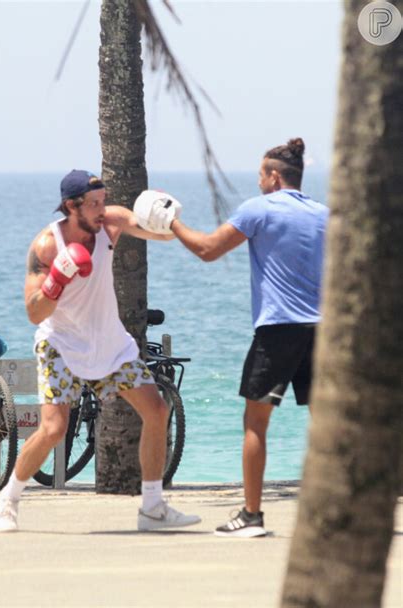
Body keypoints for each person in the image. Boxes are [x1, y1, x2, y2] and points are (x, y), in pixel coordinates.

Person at [136, 138, 328, 538]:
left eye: (261, 175)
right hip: (324, 331)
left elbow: (207, 250)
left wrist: (170, 222)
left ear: (274, 177)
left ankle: (252, 516)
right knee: (330, 425)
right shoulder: (323, 214)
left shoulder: (259, 209)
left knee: (255, 424)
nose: (258, 182)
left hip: (278, 330)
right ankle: (347, 515)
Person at [0, 169, 200, 533]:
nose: (102, 209)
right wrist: (58, 278)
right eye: (93, 204)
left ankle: (152, 507)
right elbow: (33, 312)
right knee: (54, 429)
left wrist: (164, 214)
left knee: (157, 410)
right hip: (61, 343)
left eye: (104, 200)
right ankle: (8, 499)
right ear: (72, 206)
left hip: (110, 344)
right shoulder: (47, 244)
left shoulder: (111, 223)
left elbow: (158, 233)